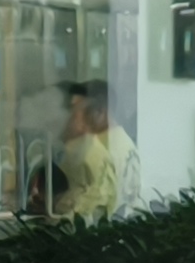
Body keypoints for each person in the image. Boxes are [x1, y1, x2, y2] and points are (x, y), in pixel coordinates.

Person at [51, 81, 138, 222]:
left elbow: (85, 215)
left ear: (99, 113)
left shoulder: (95, 150)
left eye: (74, 110)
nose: (67, 117)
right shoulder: (125, 143)